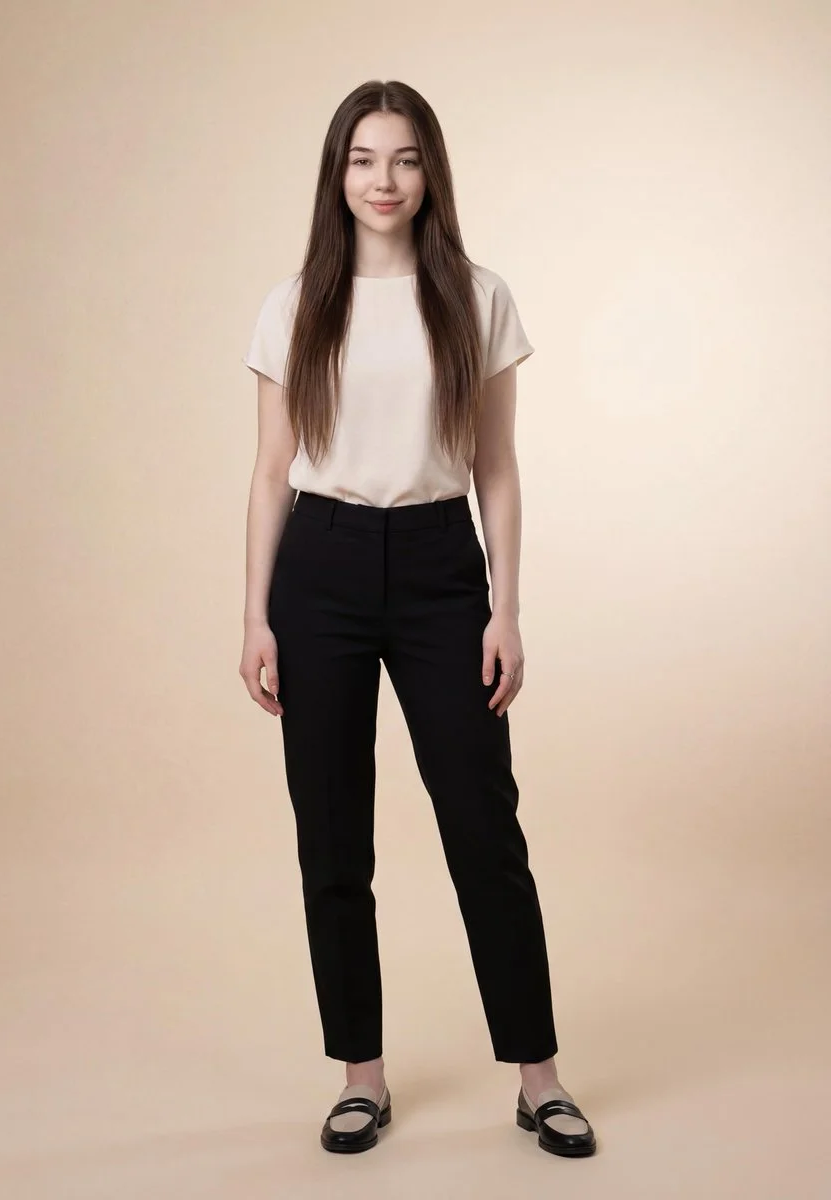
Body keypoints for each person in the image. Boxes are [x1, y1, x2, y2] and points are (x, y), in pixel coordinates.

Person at [240, 79, 596, 1159]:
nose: (382, 180)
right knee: (331, 835)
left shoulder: (476, 296)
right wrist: (253, 616)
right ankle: (360, 1076)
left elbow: (496, 465)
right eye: (361, 158)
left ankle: (537, 1076)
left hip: (443, 566)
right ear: (334, 173)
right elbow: (266, 472)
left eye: (401, 158)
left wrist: (505, 606)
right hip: (321, 568)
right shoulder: (297, 300)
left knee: (483, 830)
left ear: (428, 169)